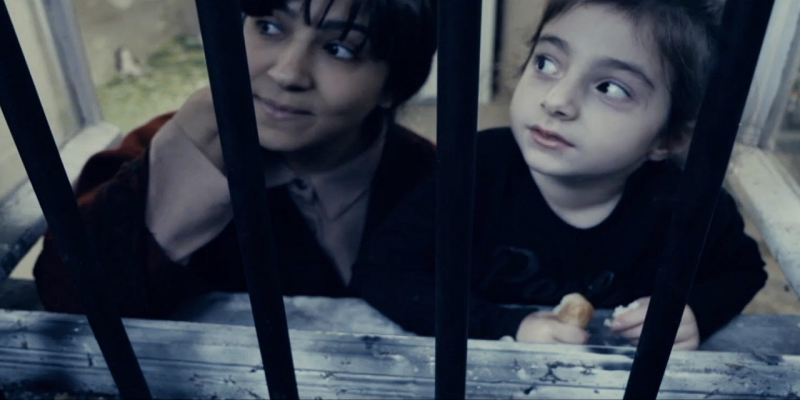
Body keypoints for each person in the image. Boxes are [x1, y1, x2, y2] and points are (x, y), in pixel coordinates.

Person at [352, 0, 767, 350]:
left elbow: (742, 271)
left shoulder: (687, 203)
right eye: (547, 63)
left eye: (611, 88)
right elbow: (382, 270)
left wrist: (695, 312)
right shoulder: (474, 166)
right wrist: (505, 326)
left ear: (669, 137)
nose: (556, 100)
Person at [33, 0, 438, 318]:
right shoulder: (159, 145)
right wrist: (184, 166)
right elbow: (67, 298)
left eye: (340, 49)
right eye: (269, 27)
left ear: (394, 85)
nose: (287, 73)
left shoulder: (435, 179)